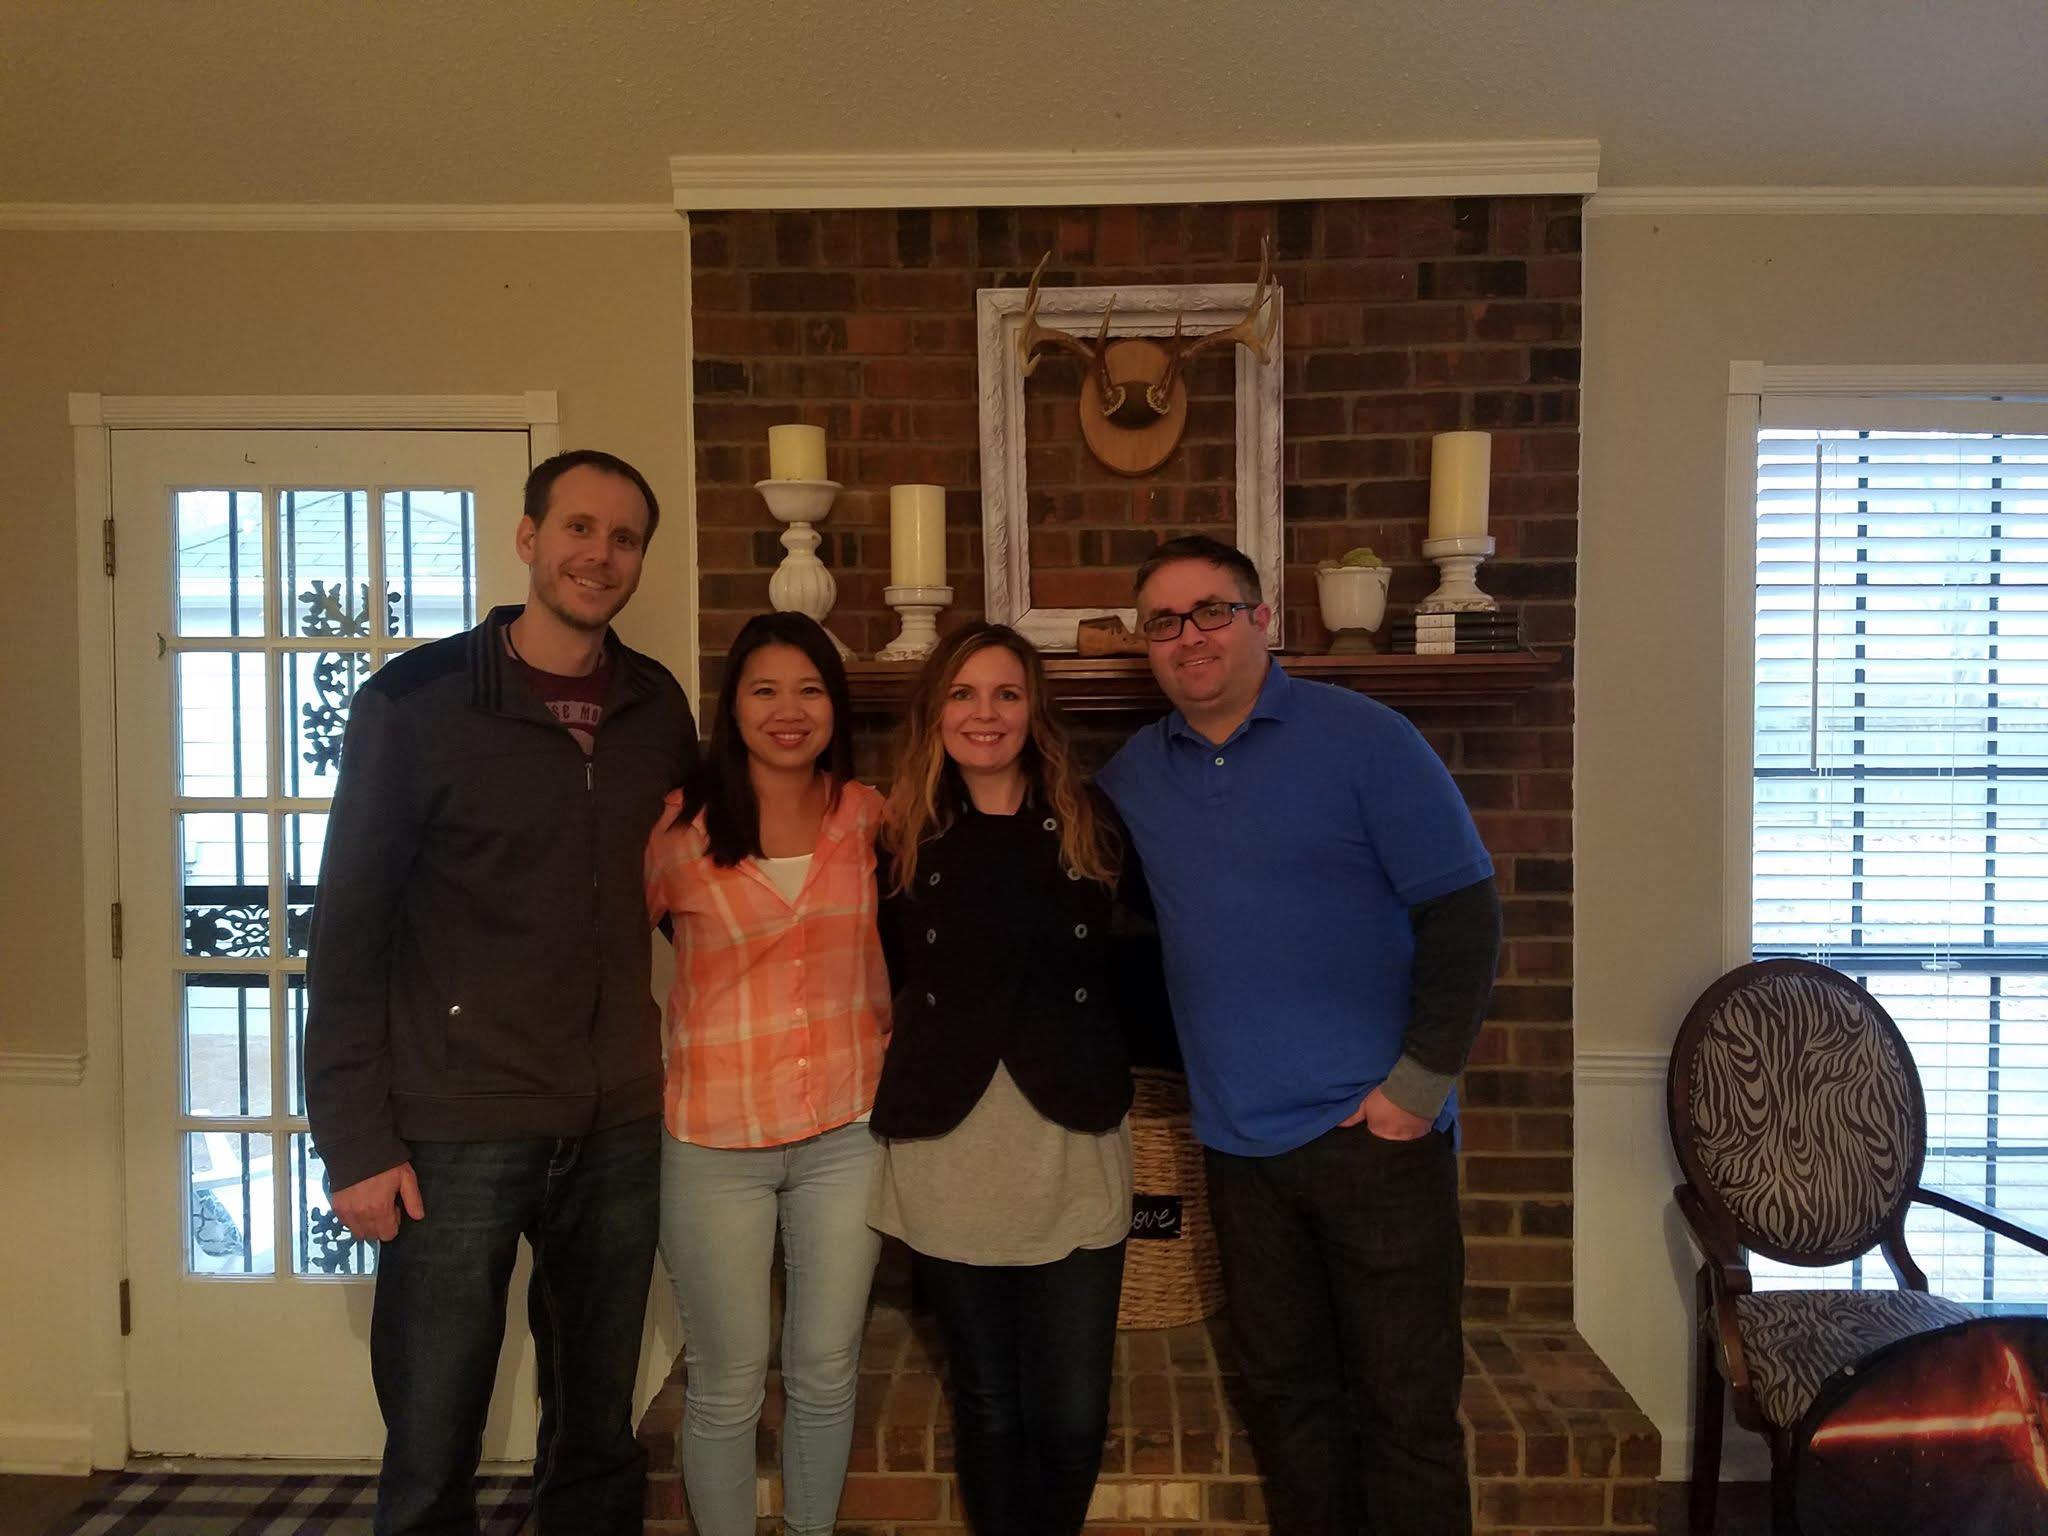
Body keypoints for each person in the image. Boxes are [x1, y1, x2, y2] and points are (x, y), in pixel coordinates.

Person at [306, 448, 698, 1536]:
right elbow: (348, 934)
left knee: (597, 1433)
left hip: (617, 1122)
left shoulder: (656, 706)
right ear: (528, 539)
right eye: (579, 528)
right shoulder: (413, 704)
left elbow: (695, 884)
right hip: (455, 1126)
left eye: (624, 538)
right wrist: (353, 1140)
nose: (600, 555)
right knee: (433, 1437)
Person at [1096, 535, 1501, 1536]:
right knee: (1288, 1405)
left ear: (1260, 618)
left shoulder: (1365, 738)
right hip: (1237, 1151)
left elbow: (1464, 914)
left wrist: (1414, 1093)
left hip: (1375, 1138)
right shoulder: (1133, 776)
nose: (1189, 636)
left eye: (1211, 611)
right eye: (1163, 621)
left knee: (1405, 1414)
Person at [869, 622, 1142, 1536]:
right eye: (963, 694)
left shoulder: (1095, 824)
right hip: (950, 1137)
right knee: (988, 1403)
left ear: (1035, 711)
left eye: (1006, 694)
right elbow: (876, 967)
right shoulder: (899, 832)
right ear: (935, 712)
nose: (984, 714)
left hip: (1069, 1132)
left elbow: (1139, 965)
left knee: (1070, 1414)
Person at [643, 611, 890, 1536]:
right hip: (714, 1140)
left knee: (825, 1369)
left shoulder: (866, 816)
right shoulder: (678, 830)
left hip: (847, 1130)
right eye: (765, 690)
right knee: (726, 1381)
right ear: (734, 706)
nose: (789, 711)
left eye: (810, 689)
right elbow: (604, 944)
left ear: (835, 705)